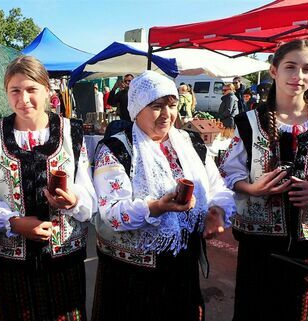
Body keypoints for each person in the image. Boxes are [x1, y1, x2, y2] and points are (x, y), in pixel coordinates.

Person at [92, 70, 235, 321]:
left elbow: (216, 186)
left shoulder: (190, 143)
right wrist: (156, 207)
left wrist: (217, 212)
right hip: (131, 276)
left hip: (182, 268)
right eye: (156, 106)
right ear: (137, 108)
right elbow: (112, 212)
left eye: (171, 105)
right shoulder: (116, 149)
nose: (167, 114)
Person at [0, 55, 97, 321]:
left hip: (65, 259)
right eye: (15, 91)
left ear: (47, 90)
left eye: (32, 89)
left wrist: (74, 201)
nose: (24, 100)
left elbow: (88, 190)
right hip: (14, 264)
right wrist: (13, 222)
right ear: (6, 92)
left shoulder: (72, 133)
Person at [220, 39, 308, 321]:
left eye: (307, 69)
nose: (298, 76)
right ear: (274, 70)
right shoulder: (249, 122)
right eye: (290, 67)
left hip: (307, 245)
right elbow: (228, 172)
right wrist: (251, 187)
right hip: (258, 246)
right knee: (254, 312)